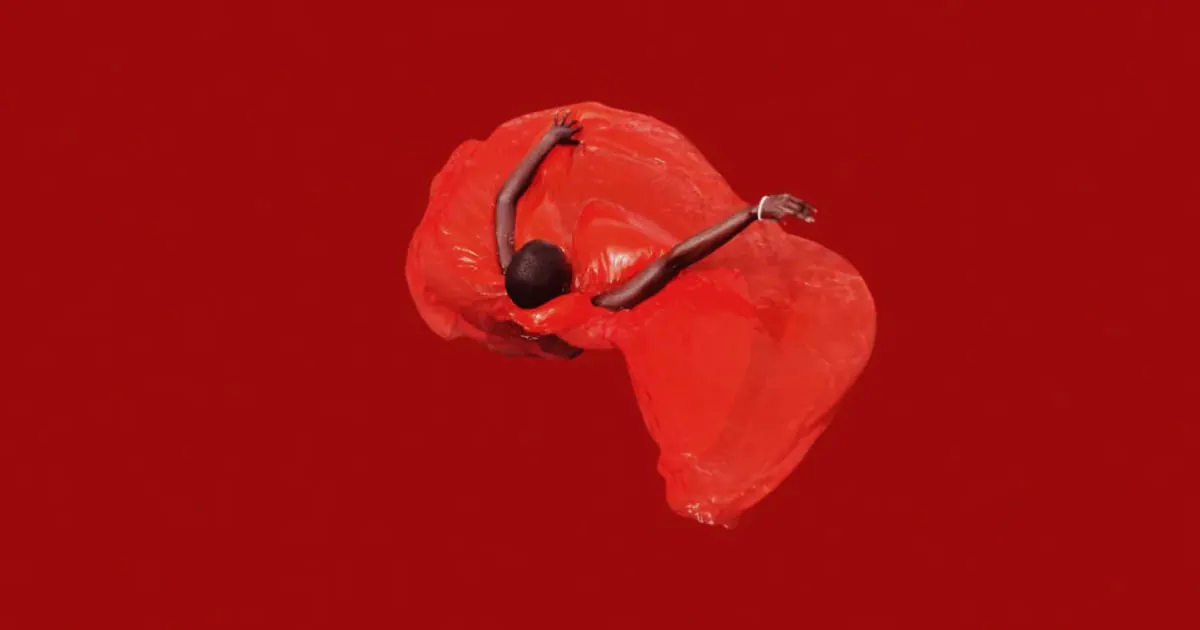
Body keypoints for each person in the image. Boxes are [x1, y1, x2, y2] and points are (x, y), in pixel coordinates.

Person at [495, 111, 818, 358]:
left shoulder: (510, 272)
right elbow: (672, 261)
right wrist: (753, 212)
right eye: (561, 256)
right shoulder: (598, 305)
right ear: (566, 286)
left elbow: (506, 199)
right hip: (572, 342)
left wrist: (547, 141)